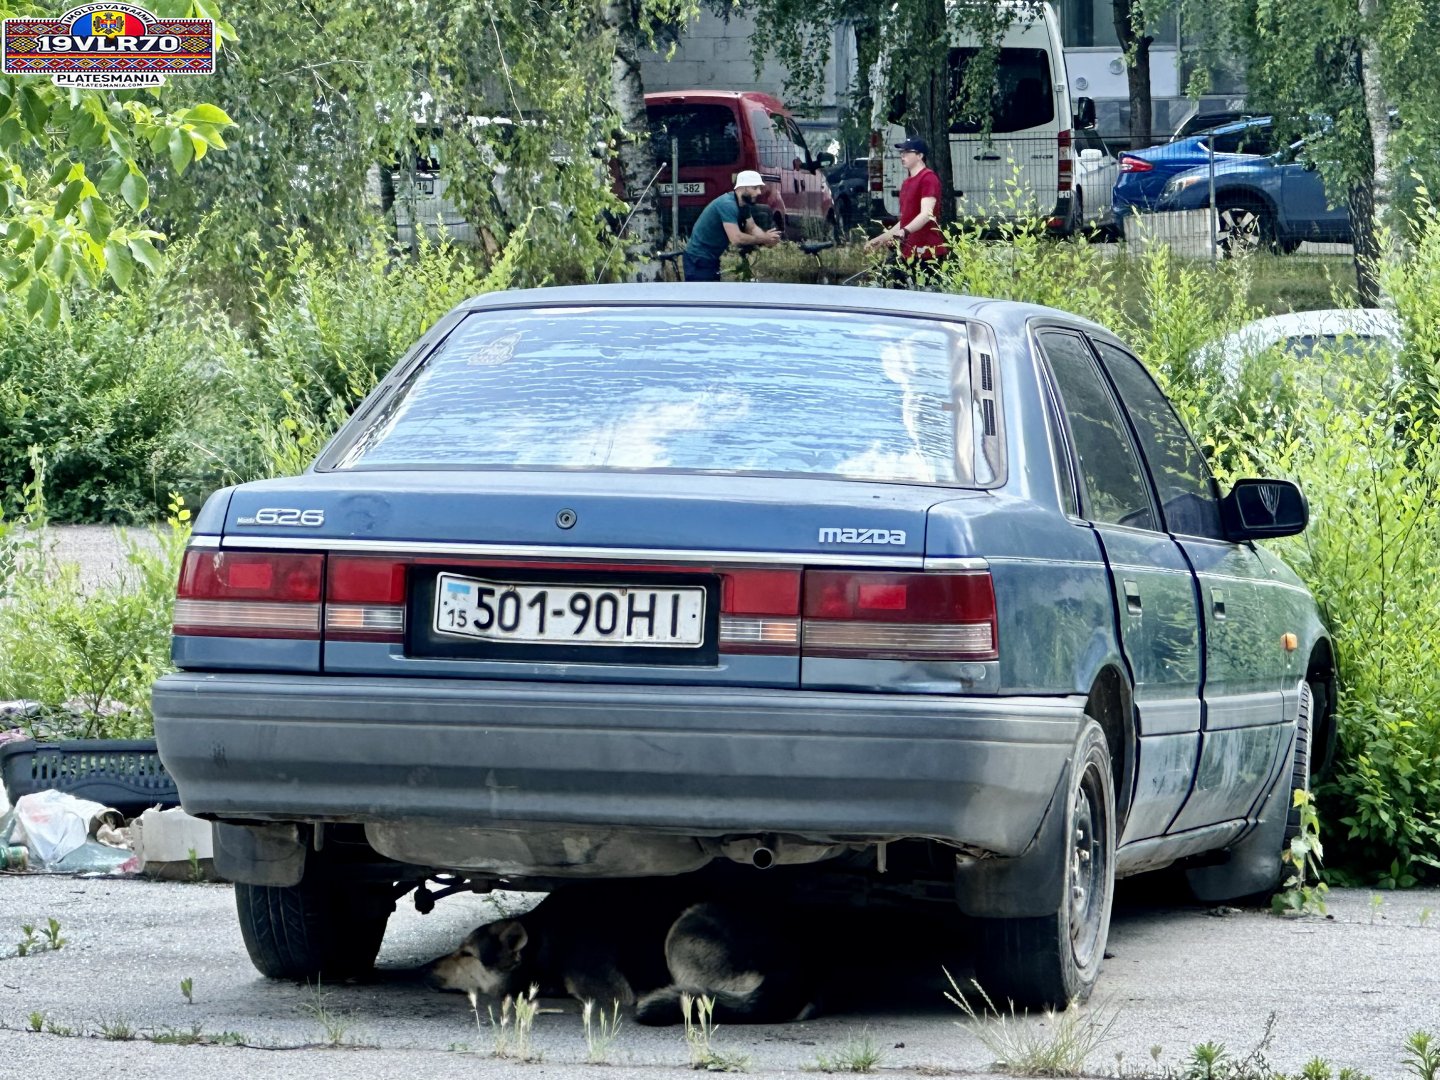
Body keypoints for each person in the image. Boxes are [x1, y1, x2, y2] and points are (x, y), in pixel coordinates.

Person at [864, 137, 948, 287]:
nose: (902, 155)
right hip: (907, 252)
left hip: (927, 253)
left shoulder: (928, 178)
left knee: (925, 296)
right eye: (901, 152)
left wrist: (904, 232)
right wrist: (881, 239)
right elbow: (905, 221)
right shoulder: (906, 183)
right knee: (899, 293)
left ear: (920, 155)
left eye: (907, 152)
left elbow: (927, 214)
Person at [683, 171, 781, 282]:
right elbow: (736, 239)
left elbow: (752, 228)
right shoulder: (728, 205)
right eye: (755, 188)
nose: (759, 192)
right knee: (704, 293)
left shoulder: (743, 205)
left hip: (710, 258)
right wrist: (764, 239)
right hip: (698, 259)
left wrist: (768, 239)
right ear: (743, 188)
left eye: (759, 188)